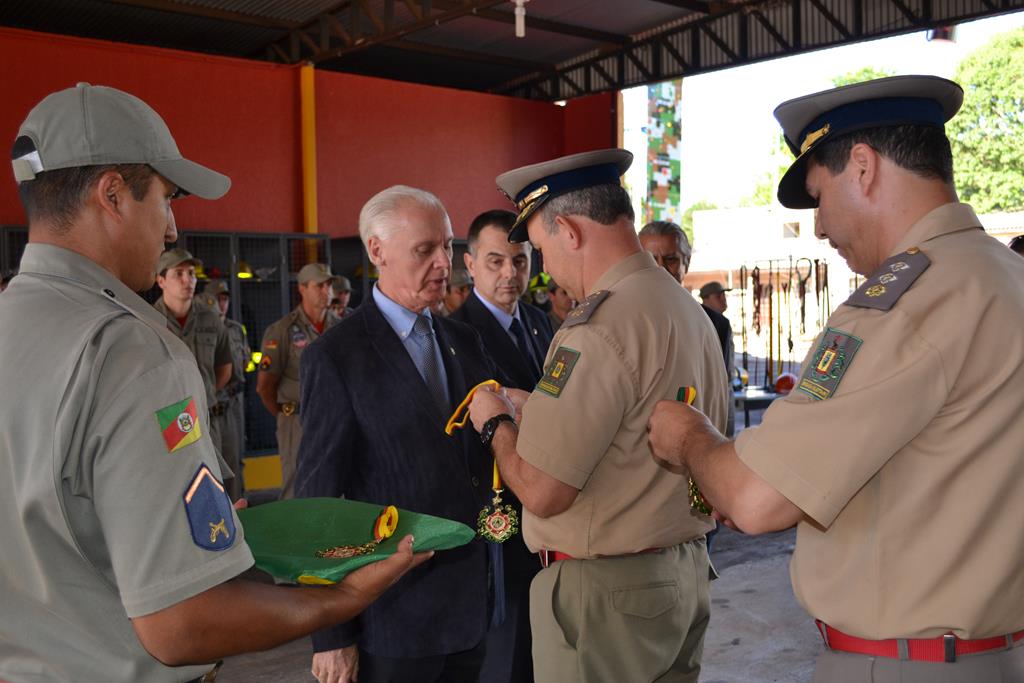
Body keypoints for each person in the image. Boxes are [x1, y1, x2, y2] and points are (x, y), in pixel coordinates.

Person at [0, 83, 427, 683]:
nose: (173, 229)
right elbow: (181, 623)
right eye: (167, 199)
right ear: (114, 195)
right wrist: (340, 602)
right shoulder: (129, 351)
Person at [647, 75, 1024, 683]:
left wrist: (689, 437)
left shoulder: (902, 305)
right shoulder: (1007, 277)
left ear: (864, 167)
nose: (820, 227)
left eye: (820, 196)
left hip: (904, 664)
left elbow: (755, 498)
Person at [467, 149, 731, 683]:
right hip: (682, 571)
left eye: (538, 249)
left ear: (568, 229)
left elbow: (543, 490)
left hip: (607, 597)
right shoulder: (685, 310)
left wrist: (497, 425)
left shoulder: (597, 327)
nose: (544, 269)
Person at [296, 185, 503, 683]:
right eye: (424, 250)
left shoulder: (464, 341)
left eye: (447, 247)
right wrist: (332, 633)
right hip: (394, 619)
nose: (442, 264)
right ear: (376, 251)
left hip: (475, 609)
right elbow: (319, 501)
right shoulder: (337, 357)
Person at [450, 208, 554, 683]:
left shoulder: (543, 324)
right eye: (495, 262)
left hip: (549, 502)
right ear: (469, 264)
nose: (509, 273)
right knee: (506, 650)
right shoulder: (454, 334)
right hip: (495, 512)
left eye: (520, 260)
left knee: (543, 644)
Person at [640, 221, 735, 436]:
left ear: (687, 263)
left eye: (671, 259)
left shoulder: (716, 324)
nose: (660, 267)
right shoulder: (621, 320)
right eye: (650, 259)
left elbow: (722, 393)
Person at [256, 262, 340, 499]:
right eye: (319, 286)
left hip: (336, 418)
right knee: (296, 488)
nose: (327, 291)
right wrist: (288, 414)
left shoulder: (341, 326)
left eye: (329, 285)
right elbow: (265, 387)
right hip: (297, 421)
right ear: (302, 289)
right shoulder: (282, 331)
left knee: (337, 484)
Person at [155, 247, 234, 479]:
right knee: (178, 482)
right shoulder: (149, 321)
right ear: (161, 280)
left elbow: (224, 369)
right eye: (178, 274)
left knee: (217, 480)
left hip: (207, 416)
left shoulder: (211, 319)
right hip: (168, 419)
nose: (187, 280)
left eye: (191, 273)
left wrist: (202, 394)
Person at [204, 278, 251, 500]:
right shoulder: (205, 330)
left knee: (234, 461)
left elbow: (245, 361)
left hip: (233, 402)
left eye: (225, 299)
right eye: (217, 299)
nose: (222, 304)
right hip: (210, 403)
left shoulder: (235, 329)